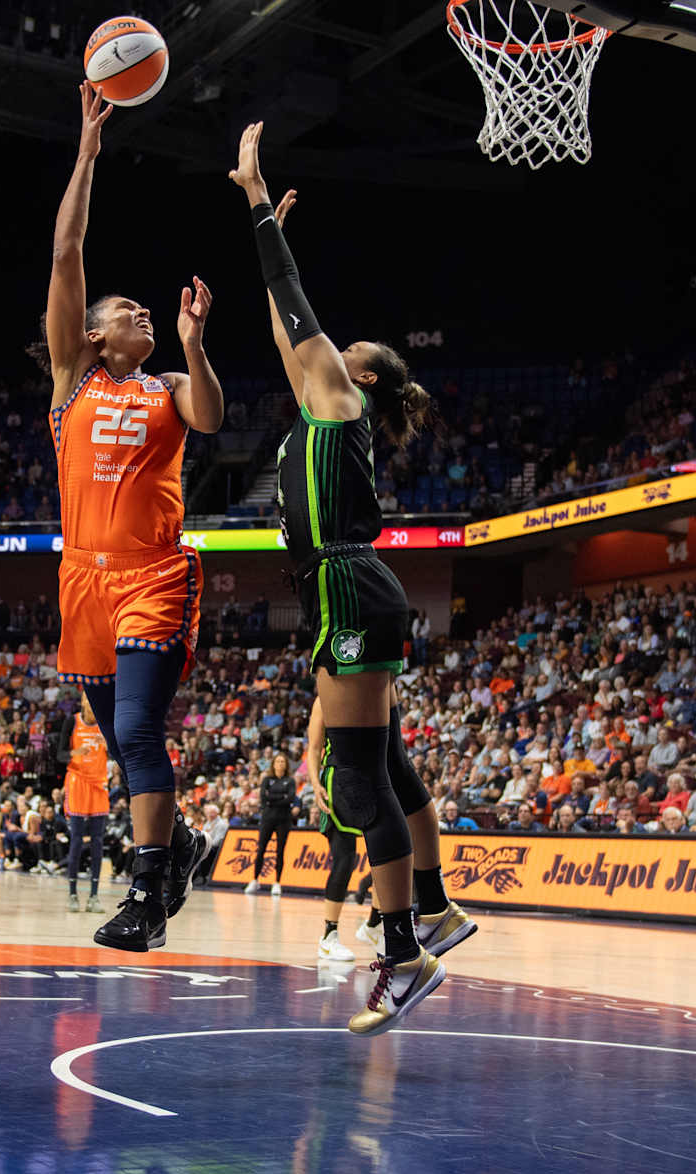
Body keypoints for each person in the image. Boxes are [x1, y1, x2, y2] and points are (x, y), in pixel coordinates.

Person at [230, 122, 474, 1034]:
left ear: (358, 373)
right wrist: (269, 251)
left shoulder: (342, 397)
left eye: (337, 351)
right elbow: (285, 322)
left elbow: (297, 311)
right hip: (351, 587)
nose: (322, 355)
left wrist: (257, 203)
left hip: (348, 585)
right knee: (382, 764)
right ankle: (438, 909)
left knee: (353, 780)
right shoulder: (322, 403)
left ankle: (405, 952)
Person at [33, 82, 223, 952]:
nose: (143, 312)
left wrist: (191, 342)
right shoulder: (73, 380)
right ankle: (178, 842)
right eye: (130, 312)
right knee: (121, 743)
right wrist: (87, 150)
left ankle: (146, 898)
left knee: (141, 730)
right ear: (95, 336)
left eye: (149, 311)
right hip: (83, 581)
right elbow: (68, 250)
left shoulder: (168, 386)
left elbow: (214, 417)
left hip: (152, 574)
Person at [305, 702, 361, 962]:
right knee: (345, 859)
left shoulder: (370, 689)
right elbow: (314, 747)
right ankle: (329, 935)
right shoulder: (323, 699)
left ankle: (376, 925)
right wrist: (315, 784)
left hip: (370, 778)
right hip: (336, 781)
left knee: (388, 853)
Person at [64, 690, 111, 912]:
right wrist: (75, 752)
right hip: (78, 783)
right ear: (82, 701)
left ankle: (94, 896)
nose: (90, 702)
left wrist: (109, 745)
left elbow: (120, 754)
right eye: (86, 698)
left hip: (99, 784)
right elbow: (59, 755)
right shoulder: (71, 722)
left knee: (97, 841)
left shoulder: (107, 724)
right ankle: (72, 894)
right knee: (75, 840)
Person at [245, 752, 297, 896]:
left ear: (286, 765)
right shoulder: (267, 779)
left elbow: (291, 798)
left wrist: (272, 798)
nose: (280, 764)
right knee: (261, 849)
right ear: (273, 764)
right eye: (278, 761)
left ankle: (277, 883)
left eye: (282, 762)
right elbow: (263, 798)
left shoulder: (290, 781)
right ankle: (255, 880)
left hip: (284, 819)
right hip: (268, 818)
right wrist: (282, 797)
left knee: (280, 851)